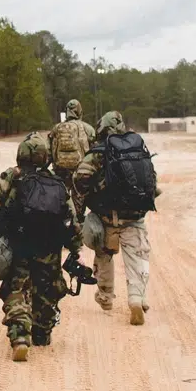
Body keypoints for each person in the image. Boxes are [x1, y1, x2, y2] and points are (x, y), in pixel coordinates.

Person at [0, 132, 84, 362]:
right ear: (45, 156)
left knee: (15, 290)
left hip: (18, 244)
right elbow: (71, 220)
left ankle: (21, 336)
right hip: (49, 248)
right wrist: (75, 248)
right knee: (47, 291)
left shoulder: (12, 176)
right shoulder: (56, 183)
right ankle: (42, 332)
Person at [74, 110, 159, 326]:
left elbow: (80, 178)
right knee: (137, 259)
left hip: (106, 218)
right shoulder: (136, 148)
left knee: (104, 255)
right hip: (134, 217)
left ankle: (106, 297)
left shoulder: (99, 152)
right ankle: (136, 299)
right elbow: (152, 180)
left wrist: (83, 203)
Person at [49, 99, 95, 216]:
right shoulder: (87, 128)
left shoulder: (56, 128)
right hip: (80, 173)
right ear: (80, 112)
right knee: (78, 210)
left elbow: (49, 150)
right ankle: (78, 223)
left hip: (60, 172)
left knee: (59, 204)